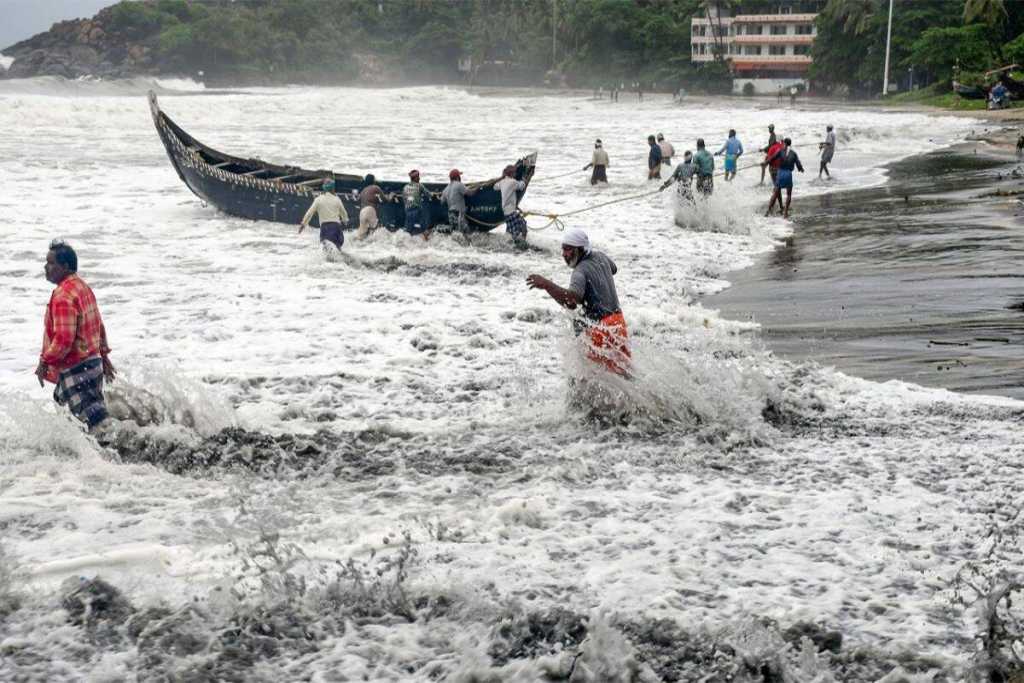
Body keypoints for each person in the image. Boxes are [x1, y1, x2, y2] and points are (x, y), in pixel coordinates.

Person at [525, 228, 630, 377]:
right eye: (563, 249)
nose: (564, 254)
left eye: (568, 250)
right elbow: (613, 268)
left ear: (581, 249)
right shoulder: (601, 256)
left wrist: (547, 285)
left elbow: (572, 301)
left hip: (601, 331)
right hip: (618, 325)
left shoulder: (580, 271)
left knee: (593, 380)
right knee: (623, 376)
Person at [36, 240, 116, 430]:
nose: (46, 267)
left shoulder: (63, 295)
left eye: (51, 263)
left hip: (76, 368)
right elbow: (98, 324)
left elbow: (64, 339)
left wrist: (44, 361)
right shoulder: (82, 287)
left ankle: (114, 454)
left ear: (64, 267)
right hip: (92, 364)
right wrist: (103, 356)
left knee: (92, 426)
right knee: (76, 414)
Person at [299, 178, 348, 250]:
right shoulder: (337, 199)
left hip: (325, 228)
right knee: (338, 250)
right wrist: (345, 221)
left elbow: (309, 213)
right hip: (337, 228)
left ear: (324, 188)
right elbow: (344, 213)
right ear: (332, 189)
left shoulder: (318, 200)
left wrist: (303, 225)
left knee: (327, 251)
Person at [765, 137, 804, 218]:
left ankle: (768, 211)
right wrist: (801, 169)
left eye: (783, 143)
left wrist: (765, 162)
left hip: (780, 173)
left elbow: (772, 158)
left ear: (784, 143)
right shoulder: (794, 153)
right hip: (788, 174)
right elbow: (798, 165)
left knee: (775, 193)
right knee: (789, 194)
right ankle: (785, 213)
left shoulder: (780, 151)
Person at [493, 164, 529, 246]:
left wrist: (502, 178)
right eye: (514, 172)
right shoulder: (513, 182)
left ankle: (507, 244)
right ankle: (522, 244)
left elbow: (495, 187)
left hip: (506, 212)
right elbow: (521, 186)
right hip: (511, 212)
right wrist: (524, 180)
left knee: (510, 232)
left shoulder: (502, 182)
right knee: (523, 226)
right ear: (512, 174)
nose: (515, 174)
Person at [440, 168, 477, 234]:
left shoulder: (445, 189)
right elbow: (469, 193)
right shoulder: (459, 184)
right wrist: (477, 189)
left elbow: (442, 201)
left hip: (450, 214)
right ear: (457, 177)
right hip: (458, 213)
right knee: (466, 232)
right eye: (459, 176)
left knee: (455, 232)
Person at [402, 169, 434, 239]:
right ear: (415, 178)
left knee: (408, 231)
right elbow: (429, 195)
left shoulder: (405, 187)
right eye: (418, 176)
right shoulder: (419, 186)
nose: (419, 178)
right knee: (424, 229)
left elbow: (404, 199)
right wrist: (433, 194)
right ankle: (427, 242)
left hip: (407, 211)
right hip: (417, 210)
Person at [356, 174, 384, 239]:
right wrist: (391, 196)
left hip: (362, 212)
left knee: (362, 235)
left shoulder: (363, 191)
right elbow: (384, 199)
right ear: (373, 181)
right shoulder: (375, 187)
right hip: (370, 210)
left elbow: (358, 200)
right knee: (375, 230)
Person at [763, 137, 786, 213]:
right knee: (777, 189)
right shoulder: (783, 147)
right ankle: (777, 207)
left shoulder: (772, 148)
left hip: (773, 170)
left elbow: (768, 159)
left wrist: (764, 163)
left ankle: (773, 208)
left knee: (777, 189)